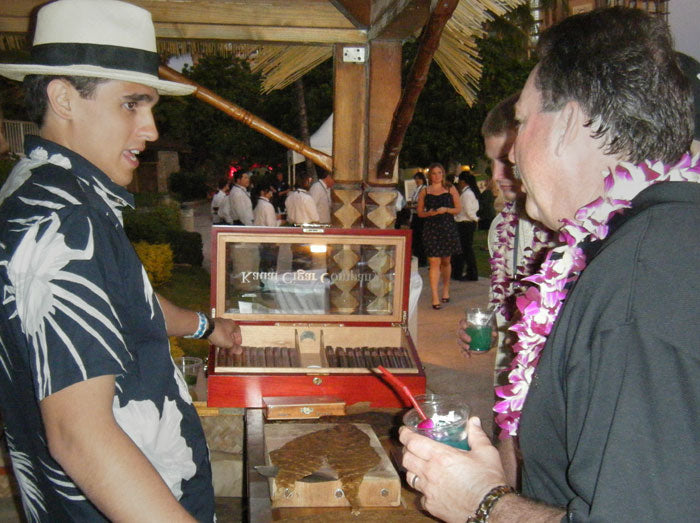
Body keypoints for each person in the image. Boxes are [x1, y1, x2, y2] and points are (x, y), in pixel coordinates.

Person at [401, 7, 699, 522]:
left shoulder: (637, 284)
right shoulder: (659, 238)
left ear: (570, 119)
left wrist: (483, 502)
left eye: (520, 123)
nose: (513, 156)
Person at [0, 1, 243, 521]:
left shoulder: (40, 192)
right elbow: (80, 437)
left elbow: (124, 299)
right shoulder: (66, 226)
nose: (151, 129)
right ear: (64, 98)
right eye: (131, 105)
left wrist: (205, 325)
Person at [416, 162, 461, 309]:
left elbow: (458, 209)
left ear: (443, 174)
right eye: (434, 173)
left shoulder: (450, 188)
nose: (437, 176)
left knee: (446, 261)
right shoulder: (425, 191)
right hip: (431, 228)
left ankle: (446, 289)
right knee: (433, 262)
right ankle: (435, 296)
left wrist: (446, 210)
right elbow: (420, 213)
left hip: (447, 228)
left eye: (439, 173)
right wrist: (429, 213)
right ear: (430, 175)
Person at [450, 171, 480, 281]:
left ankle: (471, 273)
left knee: (466, 249)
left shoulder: (467, 194)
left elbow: (468, 210)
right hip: (465, 222)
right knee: (463, 249)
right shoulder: (469, 193)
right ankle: (461, 271)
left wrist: (475, 218)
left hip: (465, 223)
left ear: (463, 182)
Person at [409, 172, 428, 266]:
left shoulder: (424, 189)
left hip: (421, 216)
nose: (417, 181)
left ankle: (422, 259)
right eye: (415, 179)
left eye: (418, 179)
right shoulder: (416, 189)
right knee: (415, 238)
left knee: (420, 238)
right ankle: (416, 256)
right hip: (415, 215)